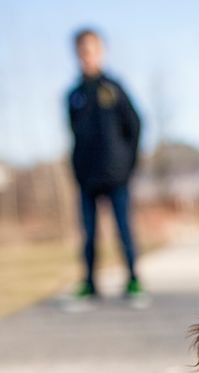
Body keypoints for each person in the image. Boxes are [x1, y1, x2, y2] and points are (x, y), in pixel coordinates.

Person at [67, 29, 144, 303]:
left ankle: (133, 279)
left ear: (100, 52)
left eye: (92, 50)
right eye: (82, 51)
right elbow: (74, 133)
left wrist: (128, 165)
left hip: (116, 174)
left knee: (123, 228)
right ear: (77, 54)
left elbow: (135, 125)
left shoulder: (113, 88)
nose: (87, 56)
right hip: (86, 176)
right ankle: (89, 282)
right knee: (89, 233)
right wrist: (76, 168)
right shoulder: (74, 95)